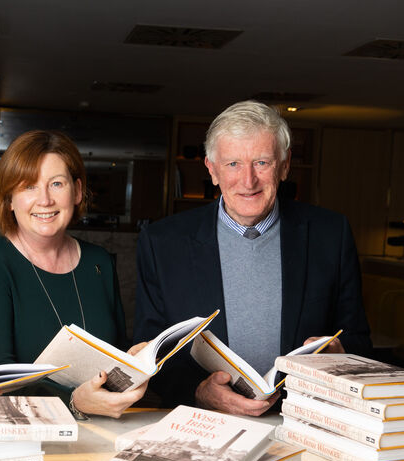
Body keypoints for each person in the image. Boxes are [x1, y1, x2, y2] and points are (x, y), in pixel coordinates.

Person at [134, 100, 372, 416]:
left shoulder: (331, 234)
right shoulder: (162, 242)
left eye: (262, 162)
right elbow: (148, 350)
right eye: (233, 164)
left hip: (303, 419)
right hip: (200, 420)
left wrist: (340, 354)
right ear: (212, 169)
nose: (248, 181)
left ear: (284, 166)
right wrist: (199, 392)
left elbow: (359, 340)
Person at [0, 130, 146, 419]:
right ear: (9, 199)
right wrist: (75, 402)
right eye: (29, 186)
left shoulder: (99, 262)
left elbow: (115, 353)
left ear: (77, 191)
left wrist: (132, 364)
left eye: (56, 184)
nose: (45, 200)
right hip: (29, 432)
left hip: (105, 428)